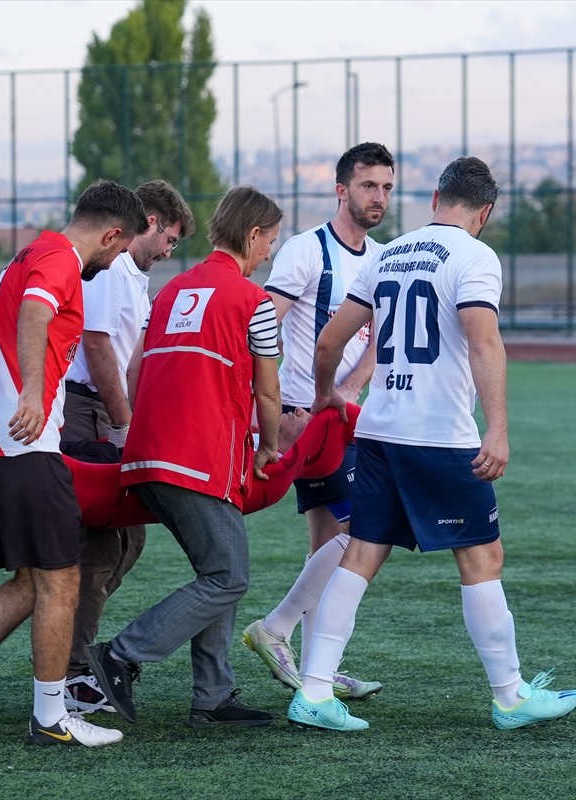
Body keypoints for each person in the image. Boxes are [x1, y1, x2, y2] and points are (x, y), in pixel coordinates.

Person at [287, 156, 576, 731]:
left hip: (378, 431)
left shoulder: (391, 251)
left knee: (361, 553)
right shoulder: (476, 256)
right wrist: (496, 427)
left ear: (434, 200)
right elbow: (484, 342)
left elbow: (329, 342)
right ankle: (509, 696)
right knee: (482, 557)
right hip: (439, 436)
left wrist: (329, 395)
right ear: (486, 212)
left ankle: (315, 691)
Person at [0, 180, 147, 748]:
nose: (116, 259)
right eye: (119, 250)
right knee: (62, 579)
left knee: (35, 581)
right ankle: (50, 719)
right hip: (23, 446)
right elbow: (34, 315)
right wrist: (29, 394)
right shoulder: (59, 258)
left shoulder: (30, 254)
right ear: (111, 233)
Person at [87, 185, 284, 730]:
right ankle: (120, 655)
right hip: (199, 459)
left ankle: (213, 697)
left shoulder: (170, 291)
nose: (270, 250)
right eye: (270, 239)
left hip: (148, 451)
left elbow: (134, 369)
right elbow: (268, 393)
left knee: (218, 568)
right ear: (251, 236)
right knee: (228, 575)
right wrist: (268, 445)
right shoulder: (253, 302)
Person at [243, 142, 394, 701]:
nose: (377, 197)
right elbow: (263, 324)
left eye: (385, 187)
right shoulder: (307, 251)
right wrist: (276, 405)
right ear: (341, 190)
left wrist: (350, 389)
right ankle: (276, 628)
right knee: (365, 529)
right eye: (367, 186)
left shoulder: (382, 258)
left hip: (347, 417)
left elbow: (380, 336)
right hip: (308, 421)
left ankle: (318, 675)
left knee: (328, 547)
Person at [60, 179, 194, 715]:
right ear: (152, 221)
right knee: (97, 548)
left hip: (101, 411)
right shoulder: (112, 268)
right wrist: (122, 425)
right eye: (170, 239)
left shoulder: (131, 277)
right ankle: (70, 672)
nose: (168, 252)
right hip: (83, 410)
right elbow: (96, 344)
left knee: (126, 542)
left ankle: (70, 650)